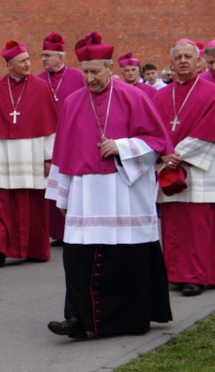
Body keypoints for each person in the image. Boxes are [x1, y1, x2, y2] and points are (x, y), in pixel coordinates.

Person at [46, 31, 172, 339]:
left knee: (124, 255)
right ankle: (77, 318)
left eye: (95, 72)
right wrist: (62, 196)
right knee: (78, 254)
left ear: (110, 67)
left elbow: (158, 143)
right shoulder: (74, 102)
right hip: (86, 191)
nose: (89, 78)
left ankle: (129, 318)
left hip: (124, 188)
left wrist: (123, 147)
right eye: (85, 72)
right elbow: (63, 150)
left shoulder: (134, 97)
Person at [0, 40, 58, 267]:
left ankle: (36, 250)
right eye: (23, 61)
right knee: (2, 205)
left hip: (33, 157)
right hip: (6, 158)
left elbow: (50, 128)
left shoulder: (41, 88)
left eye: (29, 60)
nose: (29, 64)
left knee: (34, 205)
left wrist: (49, 158)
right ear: (10, 65)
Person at [153, 38, 215, 297]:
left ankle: (198, 276)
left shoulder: (211, 92)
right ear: (171, 63)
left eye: (188, 56)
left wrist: (176, 155)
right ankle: (175, 273)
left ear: (198, 61)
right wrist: (162, 154)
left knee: (198, 223)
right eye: (178, 57)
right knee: (172, 219)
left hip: (199, 168)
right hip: (169, 167)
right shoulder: (159, 96)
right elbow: (151, 130)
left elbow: (209, 129)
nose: (183, 61)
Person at [37, 32, 85, 247]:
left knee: (72, 184)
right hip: (46, 140)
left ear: (60, 56)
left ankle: (74, 226)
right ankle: (57, 231)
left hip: (72, 139)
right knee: (52, 184)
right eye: (42, 55)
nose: (43, 59)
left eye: (47, 55)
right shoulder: (38, 81)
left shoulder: (77, 77)